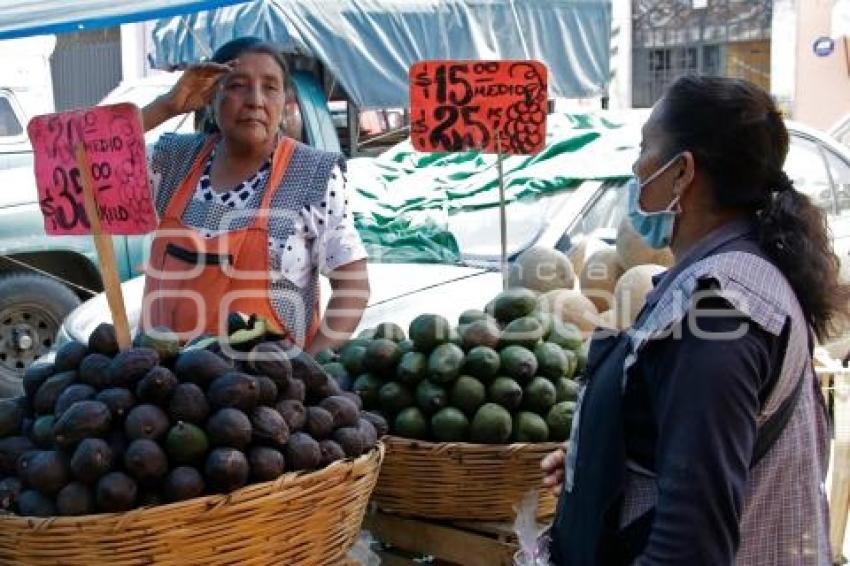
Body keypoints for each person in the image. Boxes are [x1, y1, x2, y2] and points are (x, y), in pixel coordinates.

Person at [541, 76, 849, 564]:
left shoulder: (720, 308)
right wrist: (607, 459)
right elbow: (703, 444)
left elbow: (691, 544)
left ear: (682, 172)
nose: (635, 168)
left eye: (645, 148)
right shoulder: (733, 273)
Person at [138, 37, 369, 354]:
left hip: (263, 394)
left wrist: (311, 368)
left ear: (286, 102)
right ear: (210, 96)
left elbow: (353, 287)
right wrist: (166, 105)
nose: (255, 100)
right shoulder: (171, 162)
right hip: (163, 391)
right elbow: (74, 159)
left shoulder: (312, 175)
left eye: (270, 87)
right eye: (237, 85)